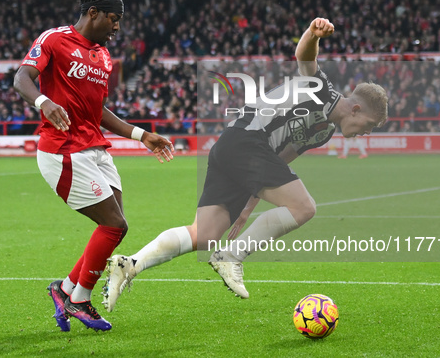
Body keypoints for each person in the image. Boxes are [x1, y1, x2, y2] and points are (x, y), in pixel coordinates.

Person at [103, 17, 388, 311]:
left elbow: (279, 161)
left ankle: (130, 264)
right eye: (369, 124)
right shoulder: (323, 90)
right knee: (304, 207)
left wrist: (248, 208)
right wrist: (313, 34)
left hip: (238, 151)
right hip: (246, 141)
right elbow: (305, 56)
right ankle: (231, 257)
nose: (367, 132)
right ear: (355, 108)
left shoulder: (325, 130)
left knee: (204, 234)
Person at [13, 0, 174, 333]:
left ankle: (65, 288)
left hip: (95, 148)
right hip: (63, 149)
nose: (116, 28)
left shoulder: (102, 56)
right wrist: (44, 102)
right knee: (115, 225)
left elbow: (98, 109)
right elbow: (22, 78)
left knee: (114, 226)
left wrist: (141, 134)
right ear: (93, 13)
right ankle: (79, 299)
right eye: (113, 20)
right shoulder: (55, 39)